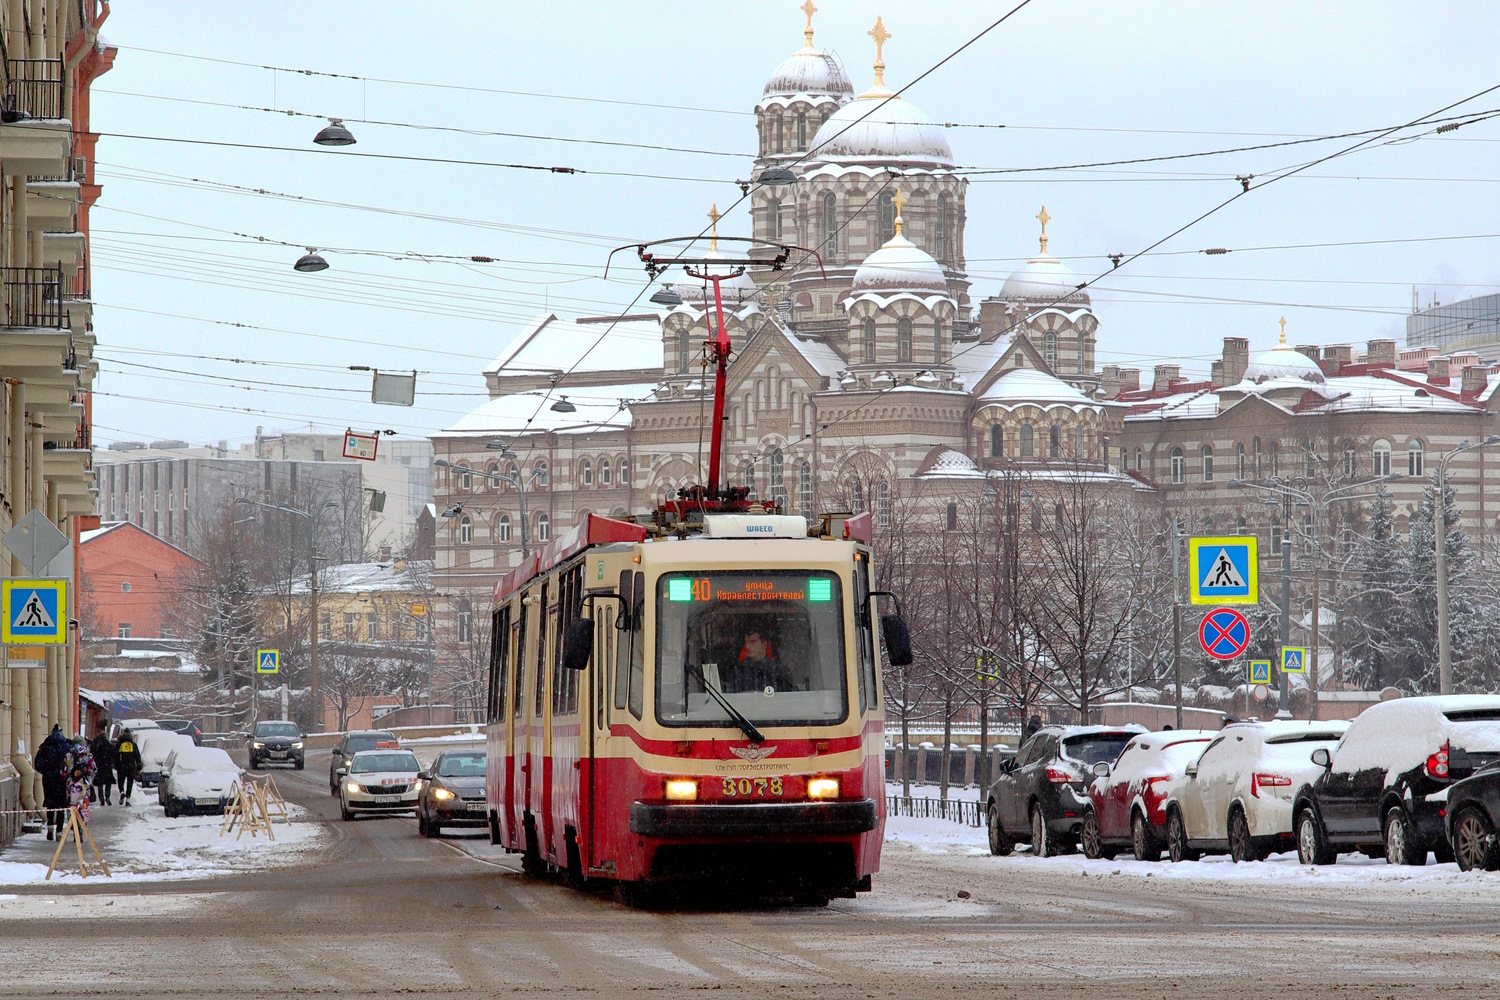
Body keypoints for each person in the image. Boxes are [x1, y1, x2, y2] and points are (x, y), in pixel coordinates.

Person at [721, 630, 798, 694]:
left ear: (764, 644)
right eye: (746, 642)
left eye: (753, 642)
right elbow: (731, 697)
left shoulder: (779, 670)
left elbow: (788, 698)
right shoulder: (738, 670)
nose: (747, 646)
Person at [32, 724, 72, 841]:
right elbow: (70, 764)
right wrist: (65, 772)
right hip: (61, 779)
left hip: (48, 780)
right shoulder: (66, 747)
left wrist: (46, 772)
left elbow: (38, 764)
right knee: (61, 805)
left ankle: (50, 828)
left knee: (50, 804)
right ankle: (59, 832)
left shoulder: (44, 747)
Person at [66, 737, 96, 824]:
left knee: (72, 806)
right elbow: (93, 769)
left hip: (71, 786)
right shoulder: (88, 755)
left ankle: (73, 824)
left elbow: (67, 769)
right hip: (84, 785)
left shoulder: (69, 755)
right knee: (83, 805)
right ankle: (82, 826)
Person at [116, 728, 143, 806]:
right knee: (130, 783)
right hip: (131, 767)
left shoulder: (119, 744)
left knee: (121, 781)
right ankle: (128, 800)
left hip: (121, 766)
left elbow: (115, 755)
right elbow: (137, 756)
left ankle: (122, 792)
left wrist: (116, 765)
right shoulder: (133, 744)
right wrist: (138, 766)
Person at [90, 729, 117, 805]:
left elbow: (92, 753)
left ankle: (101, 799)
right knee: (108, 782)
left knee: (100, 783)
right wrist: (112, 763)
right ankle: (107, 796)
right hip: (107, 766)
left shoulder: (96, 744)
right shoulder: (109, 745)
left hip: (99, 766)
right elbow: (113, 755)